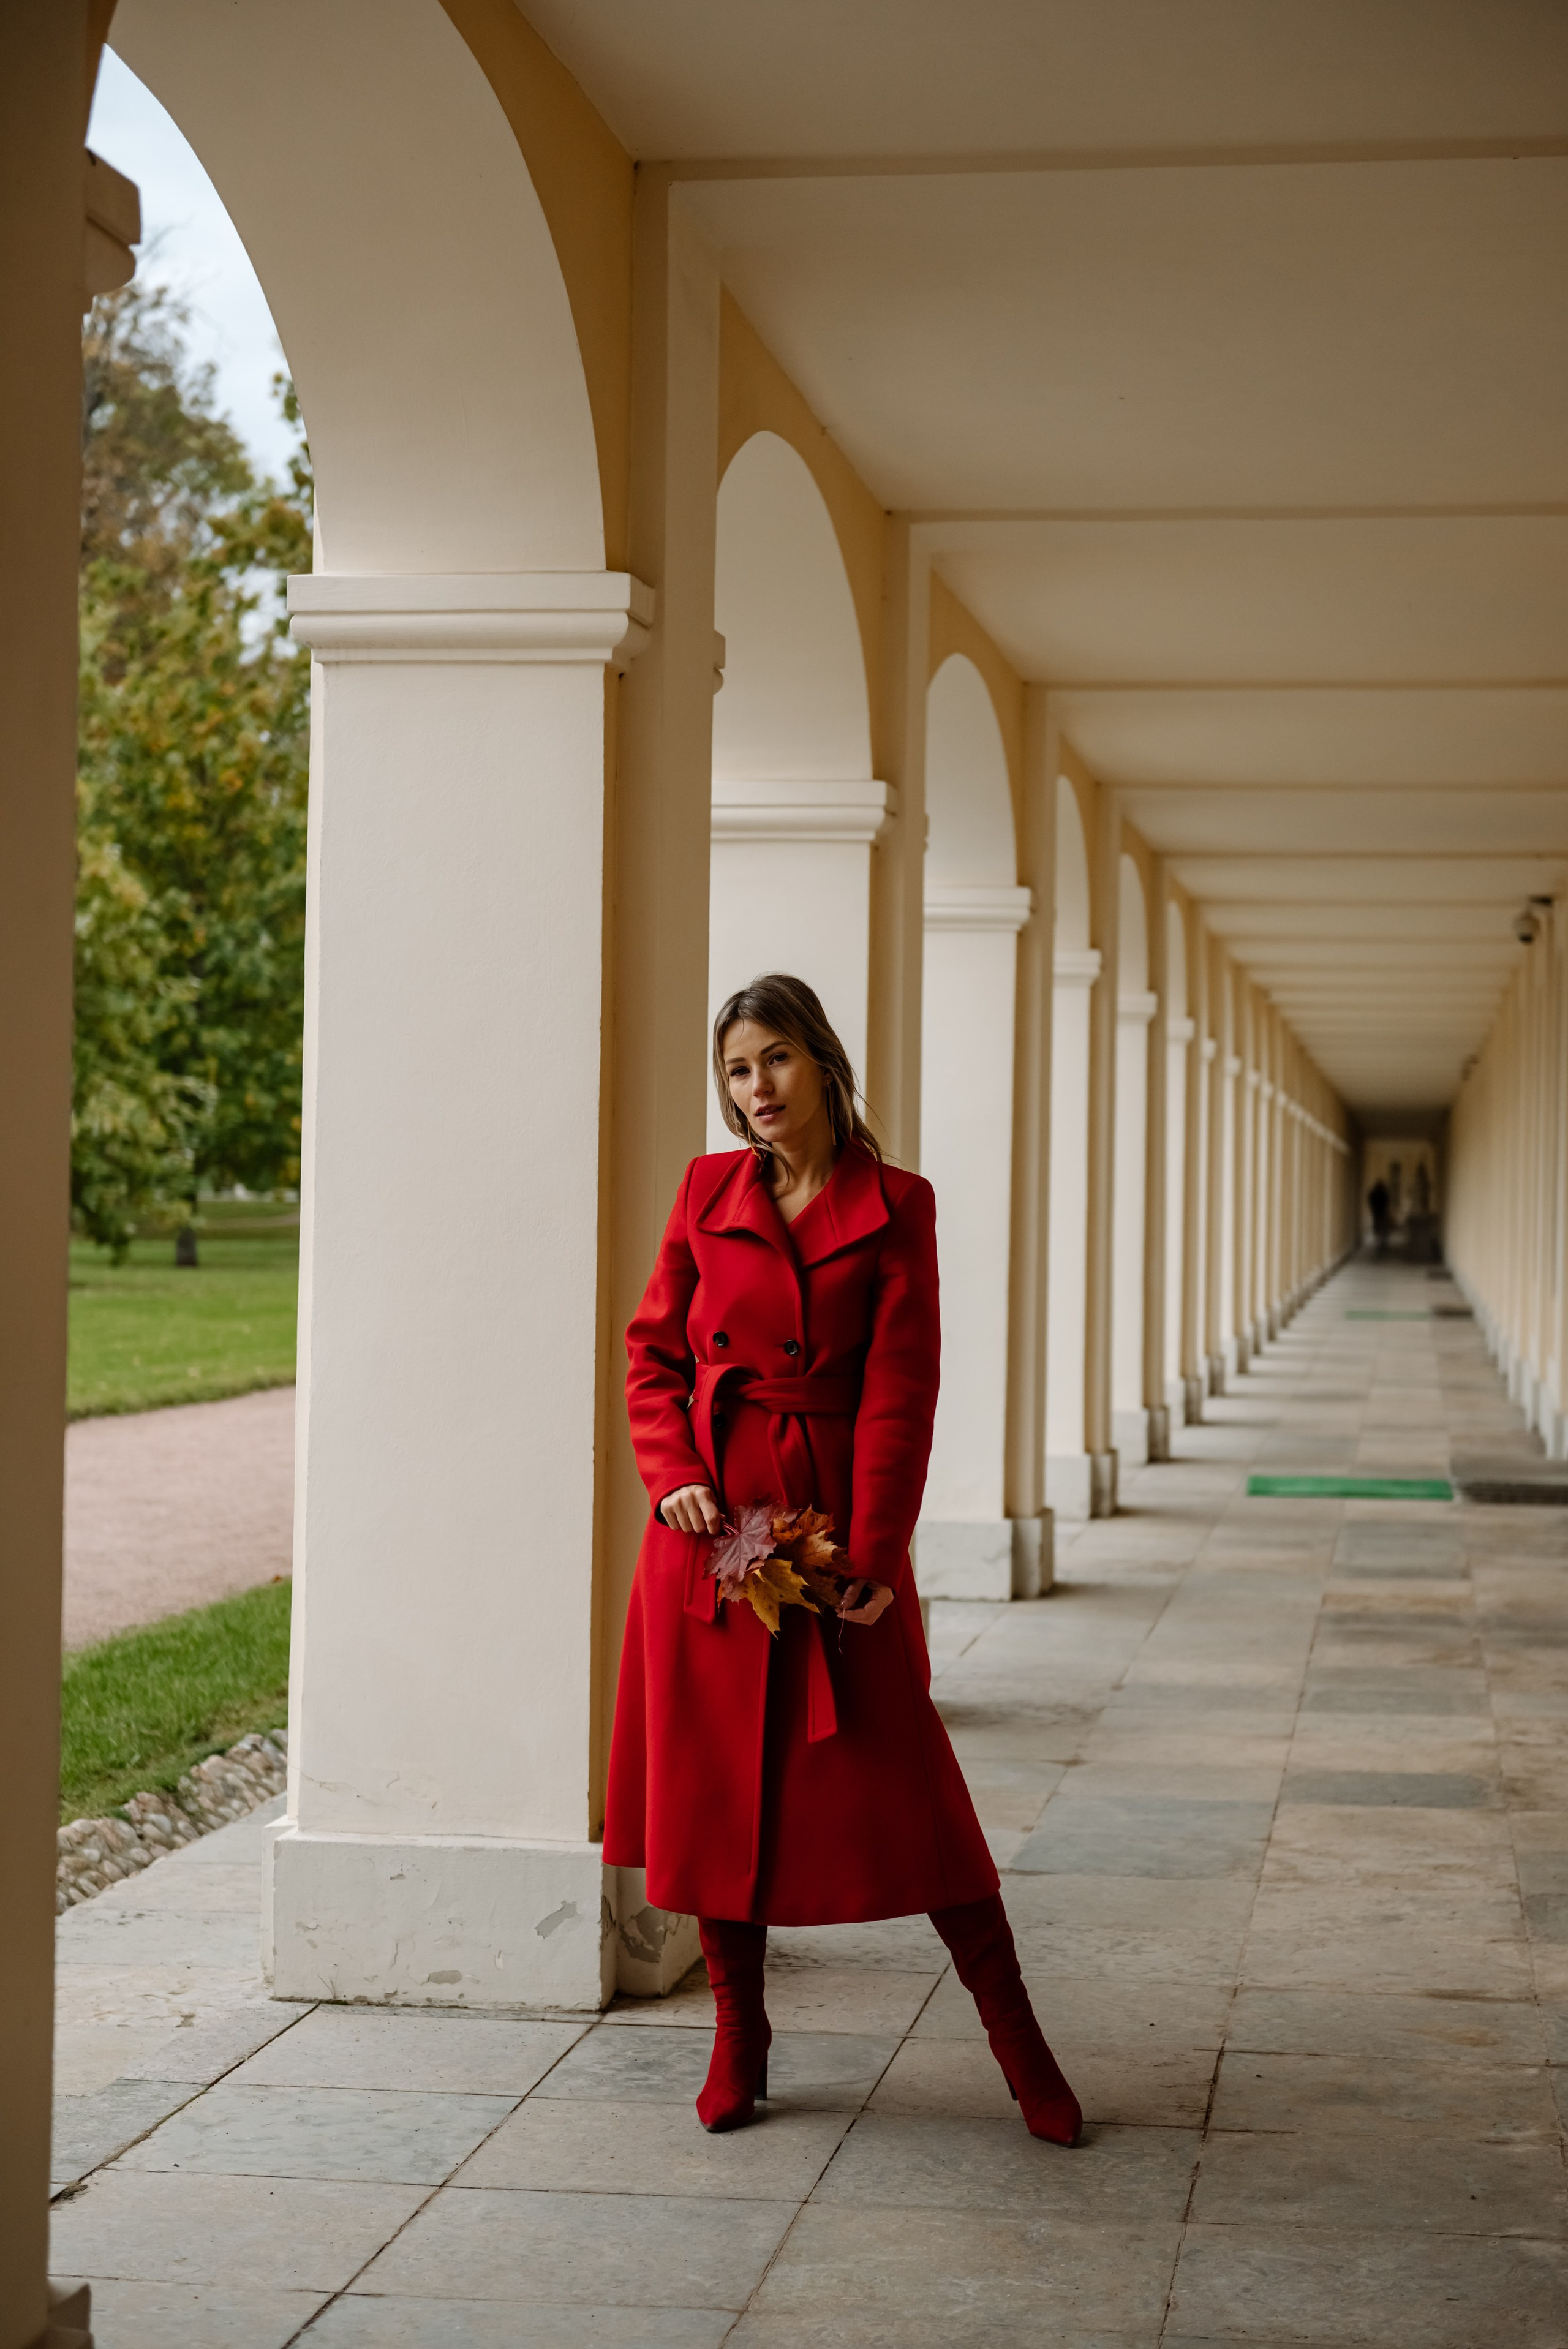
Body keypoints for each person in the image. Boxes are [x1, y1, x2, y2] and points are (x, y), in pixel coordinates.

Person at [603, 972, 1081, 2146]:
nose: (753, 1087)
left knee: (912, 1794)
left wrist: (873, 1547)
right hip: (712, 1546)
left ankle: (1022, 2048)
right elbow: (652, 1352)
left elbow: (900, 1392)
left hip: (831, 1539)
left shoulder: (897, 1203)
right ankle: (738, 2038)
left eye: (772, 1059)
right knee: (716, 1799)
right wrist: (671, 1473)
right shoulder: (705, 1191)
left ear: (820, 1061)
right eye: (733, 1069)